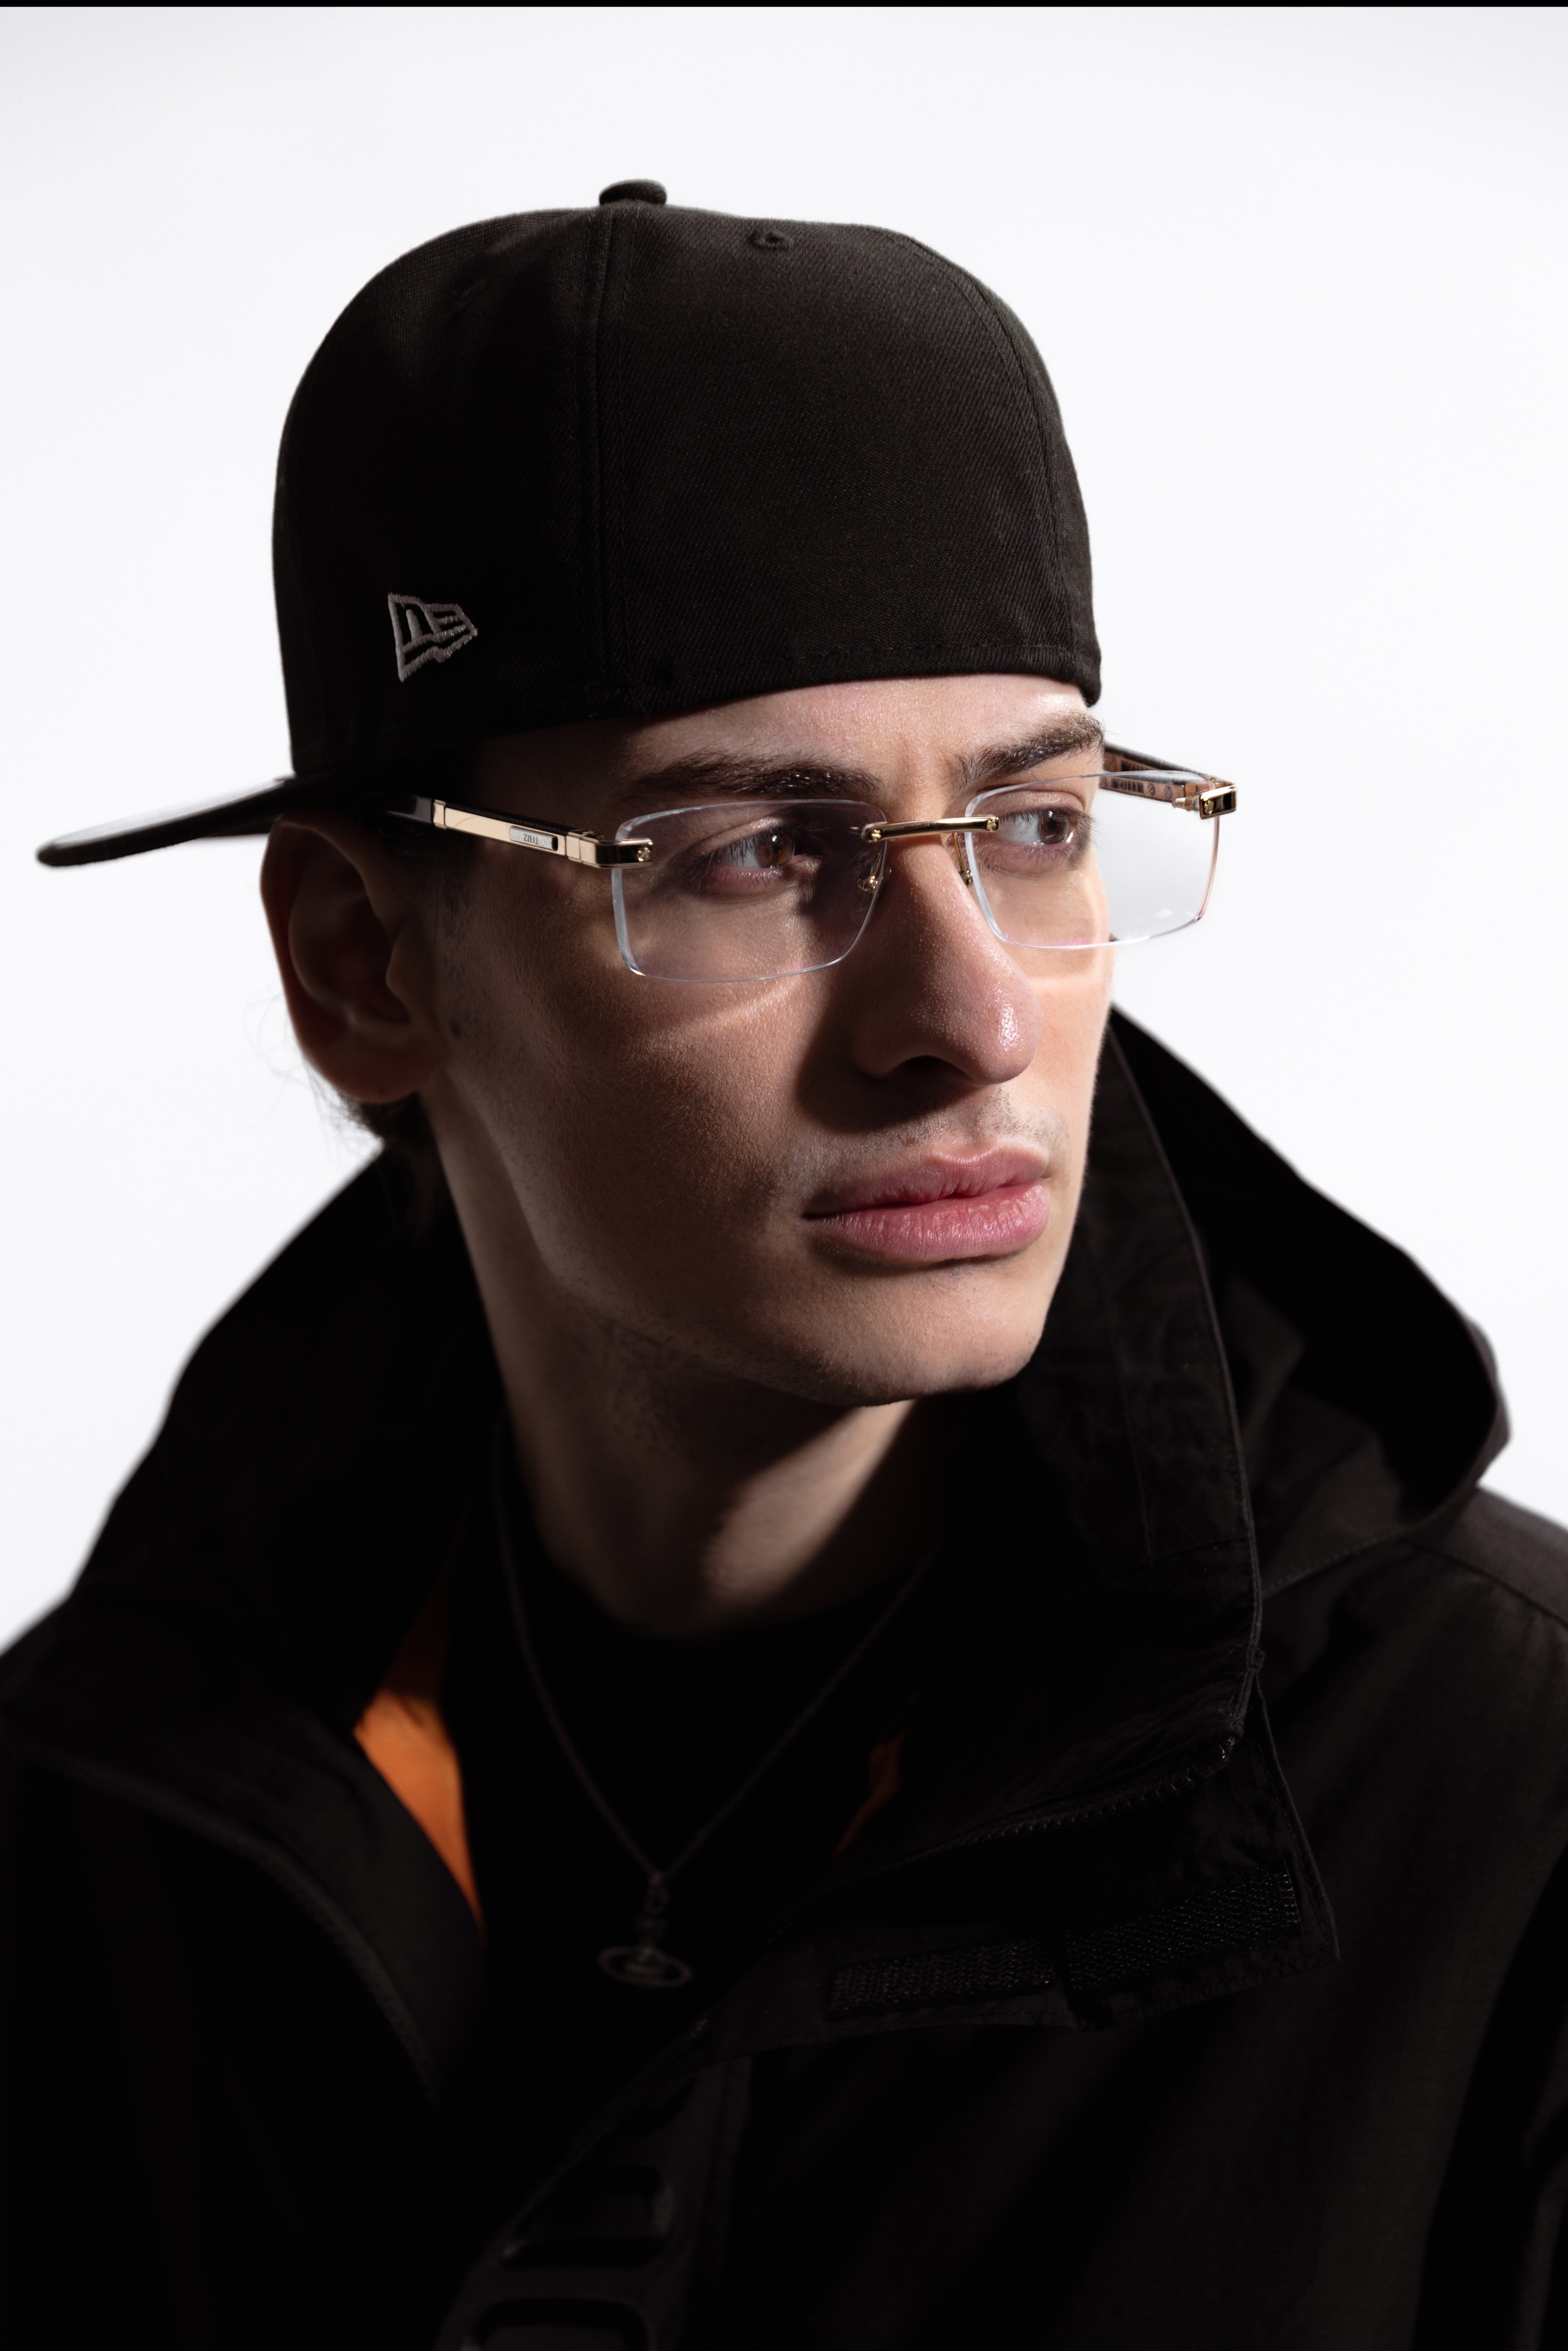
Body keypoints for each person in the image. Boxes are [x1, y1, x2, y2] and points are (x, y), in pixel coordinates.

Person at [3, 181, 1564, 2351]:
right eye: (755, 852)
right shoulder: (87, 1839)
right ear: (365, 961)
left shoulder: (1513, 1806)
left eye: (1034, 827)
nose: (976, 1016)